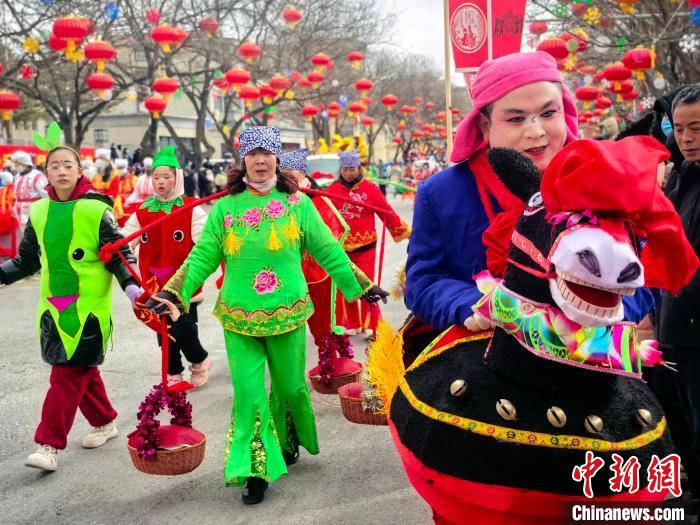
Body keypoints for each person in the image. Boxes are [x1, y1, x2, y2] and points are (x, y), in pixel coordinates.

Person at [144, 127, 388, 504]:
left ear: (277, 158)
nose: (260, 161)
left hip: (288, 312)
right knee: (248, 393)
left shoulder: (299, 204)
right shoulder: (225, 207)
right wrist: (173, 291)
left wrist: (363, 285)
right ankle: (256, 468)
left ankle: (288, 438)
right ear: (242, 160)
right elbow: (202, 256)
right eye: (253, 154)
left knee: (290, 387)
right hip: (239, 317)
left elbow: (328, 251)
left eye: (267, 153)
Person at [405, 51, 655, 336]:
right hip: (479, 353)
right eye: (516, 119)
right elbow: (424, 281)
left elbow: (651, 274)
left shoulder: (605, 180)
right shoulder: (441, 193)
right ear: (485, 126)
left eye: (549, 114)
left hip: (590, 355)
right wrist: (476, 304)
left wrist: (600, 317)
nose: (535, 131)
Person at [0, 132, 139, 472]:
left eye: (68, 165)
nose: (61, 171)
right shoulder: (39, 211)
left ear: (80, 171)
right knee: (78, 370)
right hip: (51, 307)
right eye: (54, 166)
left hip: (88, 308)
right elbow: (28, 260)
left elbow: (118, 256)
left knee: (65, 374)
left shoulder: (96, 210)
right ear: (46, 173)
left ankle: (48, 445)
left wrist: (134, 289)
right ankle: (105, 420)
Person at [122, 145, 212, 388]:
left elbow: (204, 243)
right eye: (156, 177)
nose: (161, 181)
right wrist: (116, 246)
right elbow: (127, 236)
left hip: (184, 282)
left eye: (167, 176)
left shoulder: (191, 208)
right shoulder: (142, 211)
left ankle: (200, 360)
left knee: (184, 328)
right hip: (154, 282)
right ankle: (173, 370)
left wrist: (192, 272)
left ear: (178, 178)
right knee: (163, 330)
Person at [654, 83, 700, 505]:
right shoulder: (679, 176)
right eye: (681, 129)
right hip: (678, 324)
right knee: (686, 414)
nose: (686, 138)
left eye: (697, 129)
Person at [326, 150, 410, 337]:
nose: (349, 173)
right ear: (341, 169)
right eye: (345, 169)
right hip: (341, 249)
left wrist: (405, 232)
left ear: (359, 168)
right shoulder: (332, 190)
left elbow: (387, 213)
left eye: (352, 169)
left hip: (366, 247)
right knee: (343, 284)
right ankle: (349, 324)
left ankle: (372, 325)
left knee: (367, 285)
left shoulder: (370, 189)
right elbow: (321, 214)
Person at [11, 150, 47, 231]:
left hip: (34, 213)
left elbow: (46, 196)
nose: (15, 166)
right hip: (20, 213)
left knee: (36, 238)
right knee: (25, 236)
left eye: (17, 163)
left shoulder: (37, 176)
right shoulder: (17, 176)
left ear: (25, 164)